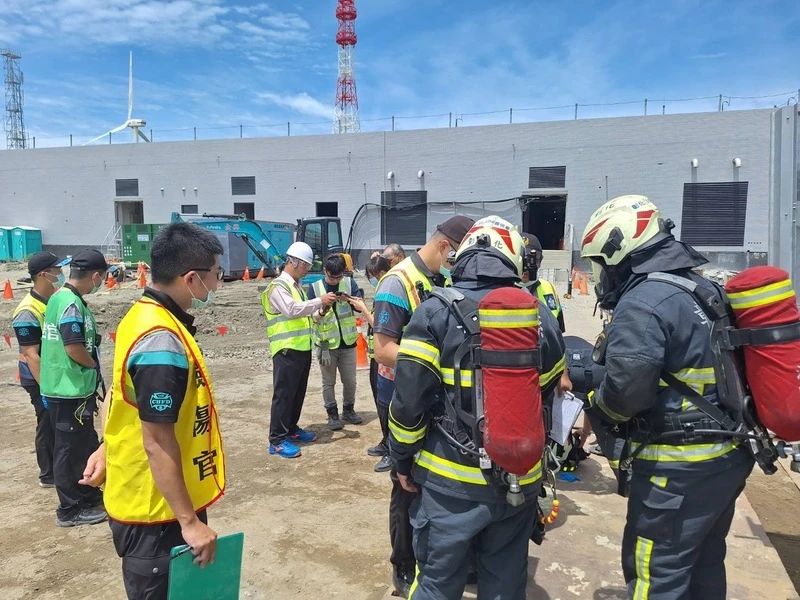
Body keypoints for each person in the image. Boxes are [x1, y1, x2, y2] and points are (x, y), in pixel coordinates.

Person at [580, 195, 754, 599]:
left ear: (618, 249)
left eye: (601, 264)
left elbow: (625, 395)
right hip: (725, 458)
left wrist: (596, 402)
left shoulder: (642, 302)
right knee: (705, 564)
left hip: (674, 474)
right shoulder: (700, 286)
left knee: (655, 576)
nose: (600, 276)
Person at [389, 216, 570, 599]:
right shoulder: (538, 315)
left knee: (437, 585)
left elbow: (408, 402)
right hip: (517, 481)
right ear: (513, 260)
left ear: (462, 256)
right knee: (504, 584)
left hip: (449, 486)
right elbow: (552, 387)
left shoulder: (434, 311)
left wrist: (402, 461)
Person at [99, 222, 226, 599]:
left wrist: (105, 448)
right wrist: (189, 522)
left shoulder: (143, 314)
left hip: (149, 494)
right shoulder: (162, 340)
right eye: (215, 275)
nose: (217, 285)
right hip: (156, 511)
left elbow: (119, 395)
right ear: (191, 278)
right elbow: (156, 440)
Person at [373, 215, 474, 597]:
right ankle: (402, 562)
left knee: (430, 478)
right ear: (447, 247)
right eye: (458, 257)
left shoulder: (441, 281)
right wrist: (436, 362)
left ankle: (431, 552)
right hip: (401, 397)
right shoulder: (396, 283)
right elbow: (382, 349)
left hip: (434, 397)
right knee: (404, 482)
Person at [40, 248, 108, 527]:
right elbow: (72, 346)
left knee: (83, 445)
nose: (101, 282)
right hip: (69, 389)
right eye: (102, 278)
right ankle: (70, 509)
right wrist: (92, 365)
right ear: (95, 276)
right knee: (68, 450)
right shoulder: (70, 303)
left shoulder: (60, 298)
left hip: (65, 387)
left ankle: (88, 496)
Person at [262, 241, 337, 458]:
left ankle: (291, 429)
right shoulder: (278, 287)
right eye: (305, 266)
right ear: (294, 262)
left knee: (297, 393)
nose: (306, 271)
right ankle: (276, 439)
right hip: (286, 350)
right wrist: (318, 300)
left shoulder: (297, 288)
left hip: (301, 349)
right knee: (284, 395)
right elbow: (292, 310)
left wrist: (321, 310)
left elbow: (307, 316)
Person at [12, 251, 69, 488]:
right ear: (44, 275)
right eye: (57, 271)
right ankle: (48, 474)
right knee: (46, 422)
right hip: (38, 378)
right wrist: (46, 388)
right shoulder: (27, 311)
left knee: (57, 423)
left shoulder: (52, 301)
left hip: (53, 375)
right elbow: (30, 353)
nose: (61, 275)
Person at [307, 253, 365, 430]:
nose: (335, 281)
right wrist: (324, 307)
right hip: (326, 345)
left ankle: (349, 410)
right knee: (328, 382)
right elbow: (312, 318)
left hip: (347, 343)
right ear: (325, 271)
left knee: (350, 381)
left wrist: (349, 300)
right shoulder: (314, 288)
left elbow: (360, 306)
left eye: (339, 277)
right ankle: (332, 415)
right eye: (332, 277)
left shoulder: (349, 283)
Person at [363, 254, 392, 471]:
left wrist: (363, 310)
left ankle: (393, 451)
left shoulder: (388, 289)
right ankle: (385, 442)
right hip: (377, 355)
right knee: (379, 399)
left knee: (388, 403)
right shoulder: (382, 288)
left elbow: (382, 326)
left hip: (388, 359)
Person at [521, 232, 565, 332]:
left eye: (532, 261)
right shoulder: (502, 289)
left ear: (540, 261)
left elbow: (558, 329)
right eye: (522, 261)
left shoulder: (548, 287)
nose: (526, 267)